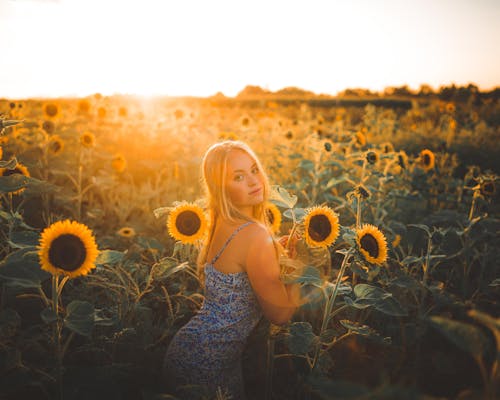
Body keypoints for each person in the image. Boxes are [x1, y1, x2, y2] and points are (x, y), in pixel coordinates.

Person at [163, 140, 301, 399]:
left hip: (192, 350)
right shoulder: (256, 235)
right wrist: (298, 268)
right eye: (239, 177)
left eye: (254, 169)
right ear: (221, 188)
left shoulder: (222, 224)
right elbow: (281, 315)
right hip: (208, 363)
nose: (253, 181)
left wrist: (274, 254)